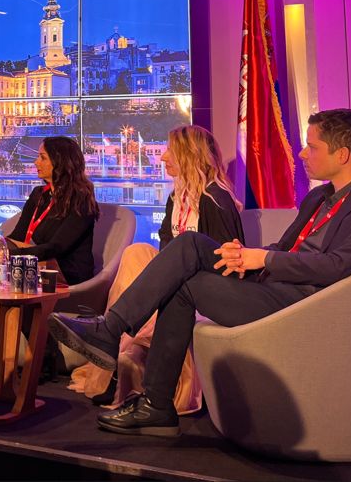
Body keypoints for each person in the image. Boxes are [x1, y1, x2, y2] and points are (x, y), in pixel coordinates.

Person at [49, 109, 351, 438]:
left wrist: (263, 261)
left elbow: (339, 267)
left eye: (311, 147)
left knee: (183, 283)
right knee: (190, 245)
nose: (302, 154)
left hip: (302, 304)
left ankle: (148, 391)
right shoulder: (320, 197)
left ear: (342, 154)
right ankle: (116, 341)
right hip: (274, 286)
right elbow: (286, 248)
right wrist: (246, 255)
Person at [69, 124, 244, 413]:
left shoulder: (216, 199)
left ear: (189, 155)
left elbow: (227, 263)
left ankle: (116, 345)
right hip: (172, 280)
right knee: (137, 253)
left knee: (144, 267)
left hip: (203, 288)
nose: (162, 158)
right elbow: (166, 252)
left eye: (170, 152)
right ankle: (121, 346)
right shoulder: (176, 197)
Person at [6, 136, 98, 286]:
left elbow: (56, 248)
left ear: (60, 163)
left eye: (42, 158)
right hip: (38, 263)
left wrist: (9, 255)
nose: (36, 162)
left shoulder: (81, 200)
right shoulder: (39, 194)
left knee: (7, 266)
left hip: (66, 272)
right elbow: (18, 237)